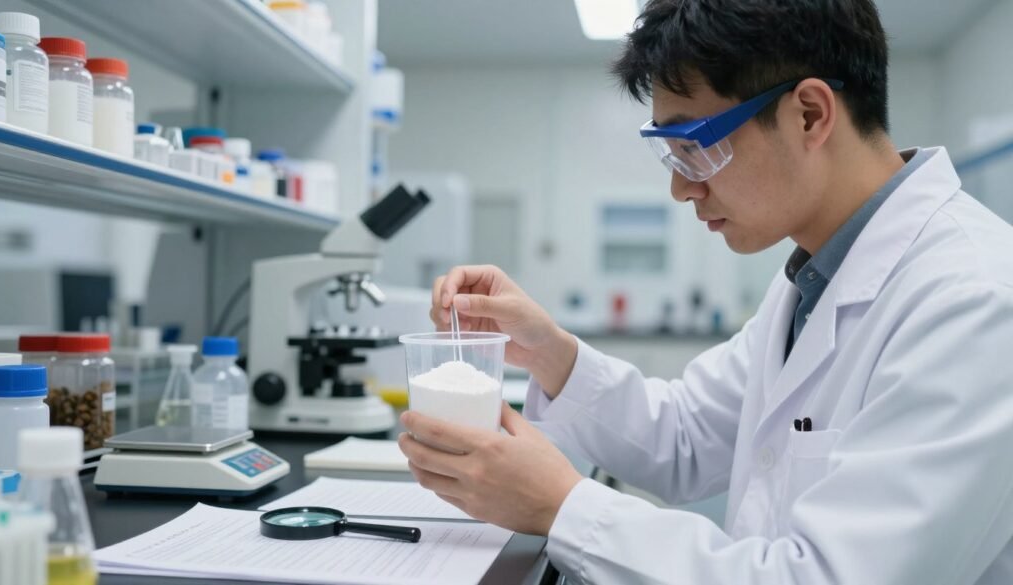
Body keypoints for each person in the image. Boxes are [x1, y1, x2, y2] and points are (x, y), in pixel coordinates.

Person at [397, 0, 1013, 582]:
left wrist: (563, 507)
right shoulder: (815, 279)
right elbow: (686, 435)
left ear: (810, 114)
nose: (682, 190)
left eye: (696, 147)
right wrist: (547, 350)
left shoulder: (974, 301)